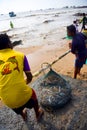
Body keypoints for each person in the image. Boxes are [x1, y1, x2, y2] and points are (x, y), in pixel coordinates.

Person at [0, 33, 44, 121]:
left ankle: (23, 115)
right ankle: (37, 113)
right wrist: (24, 83)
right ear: (9, 44)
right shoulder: (21, 55)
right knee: (32, 93)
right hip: (23, 96)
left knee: (14, 103)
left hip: (8, 101)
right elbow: (30, 77)